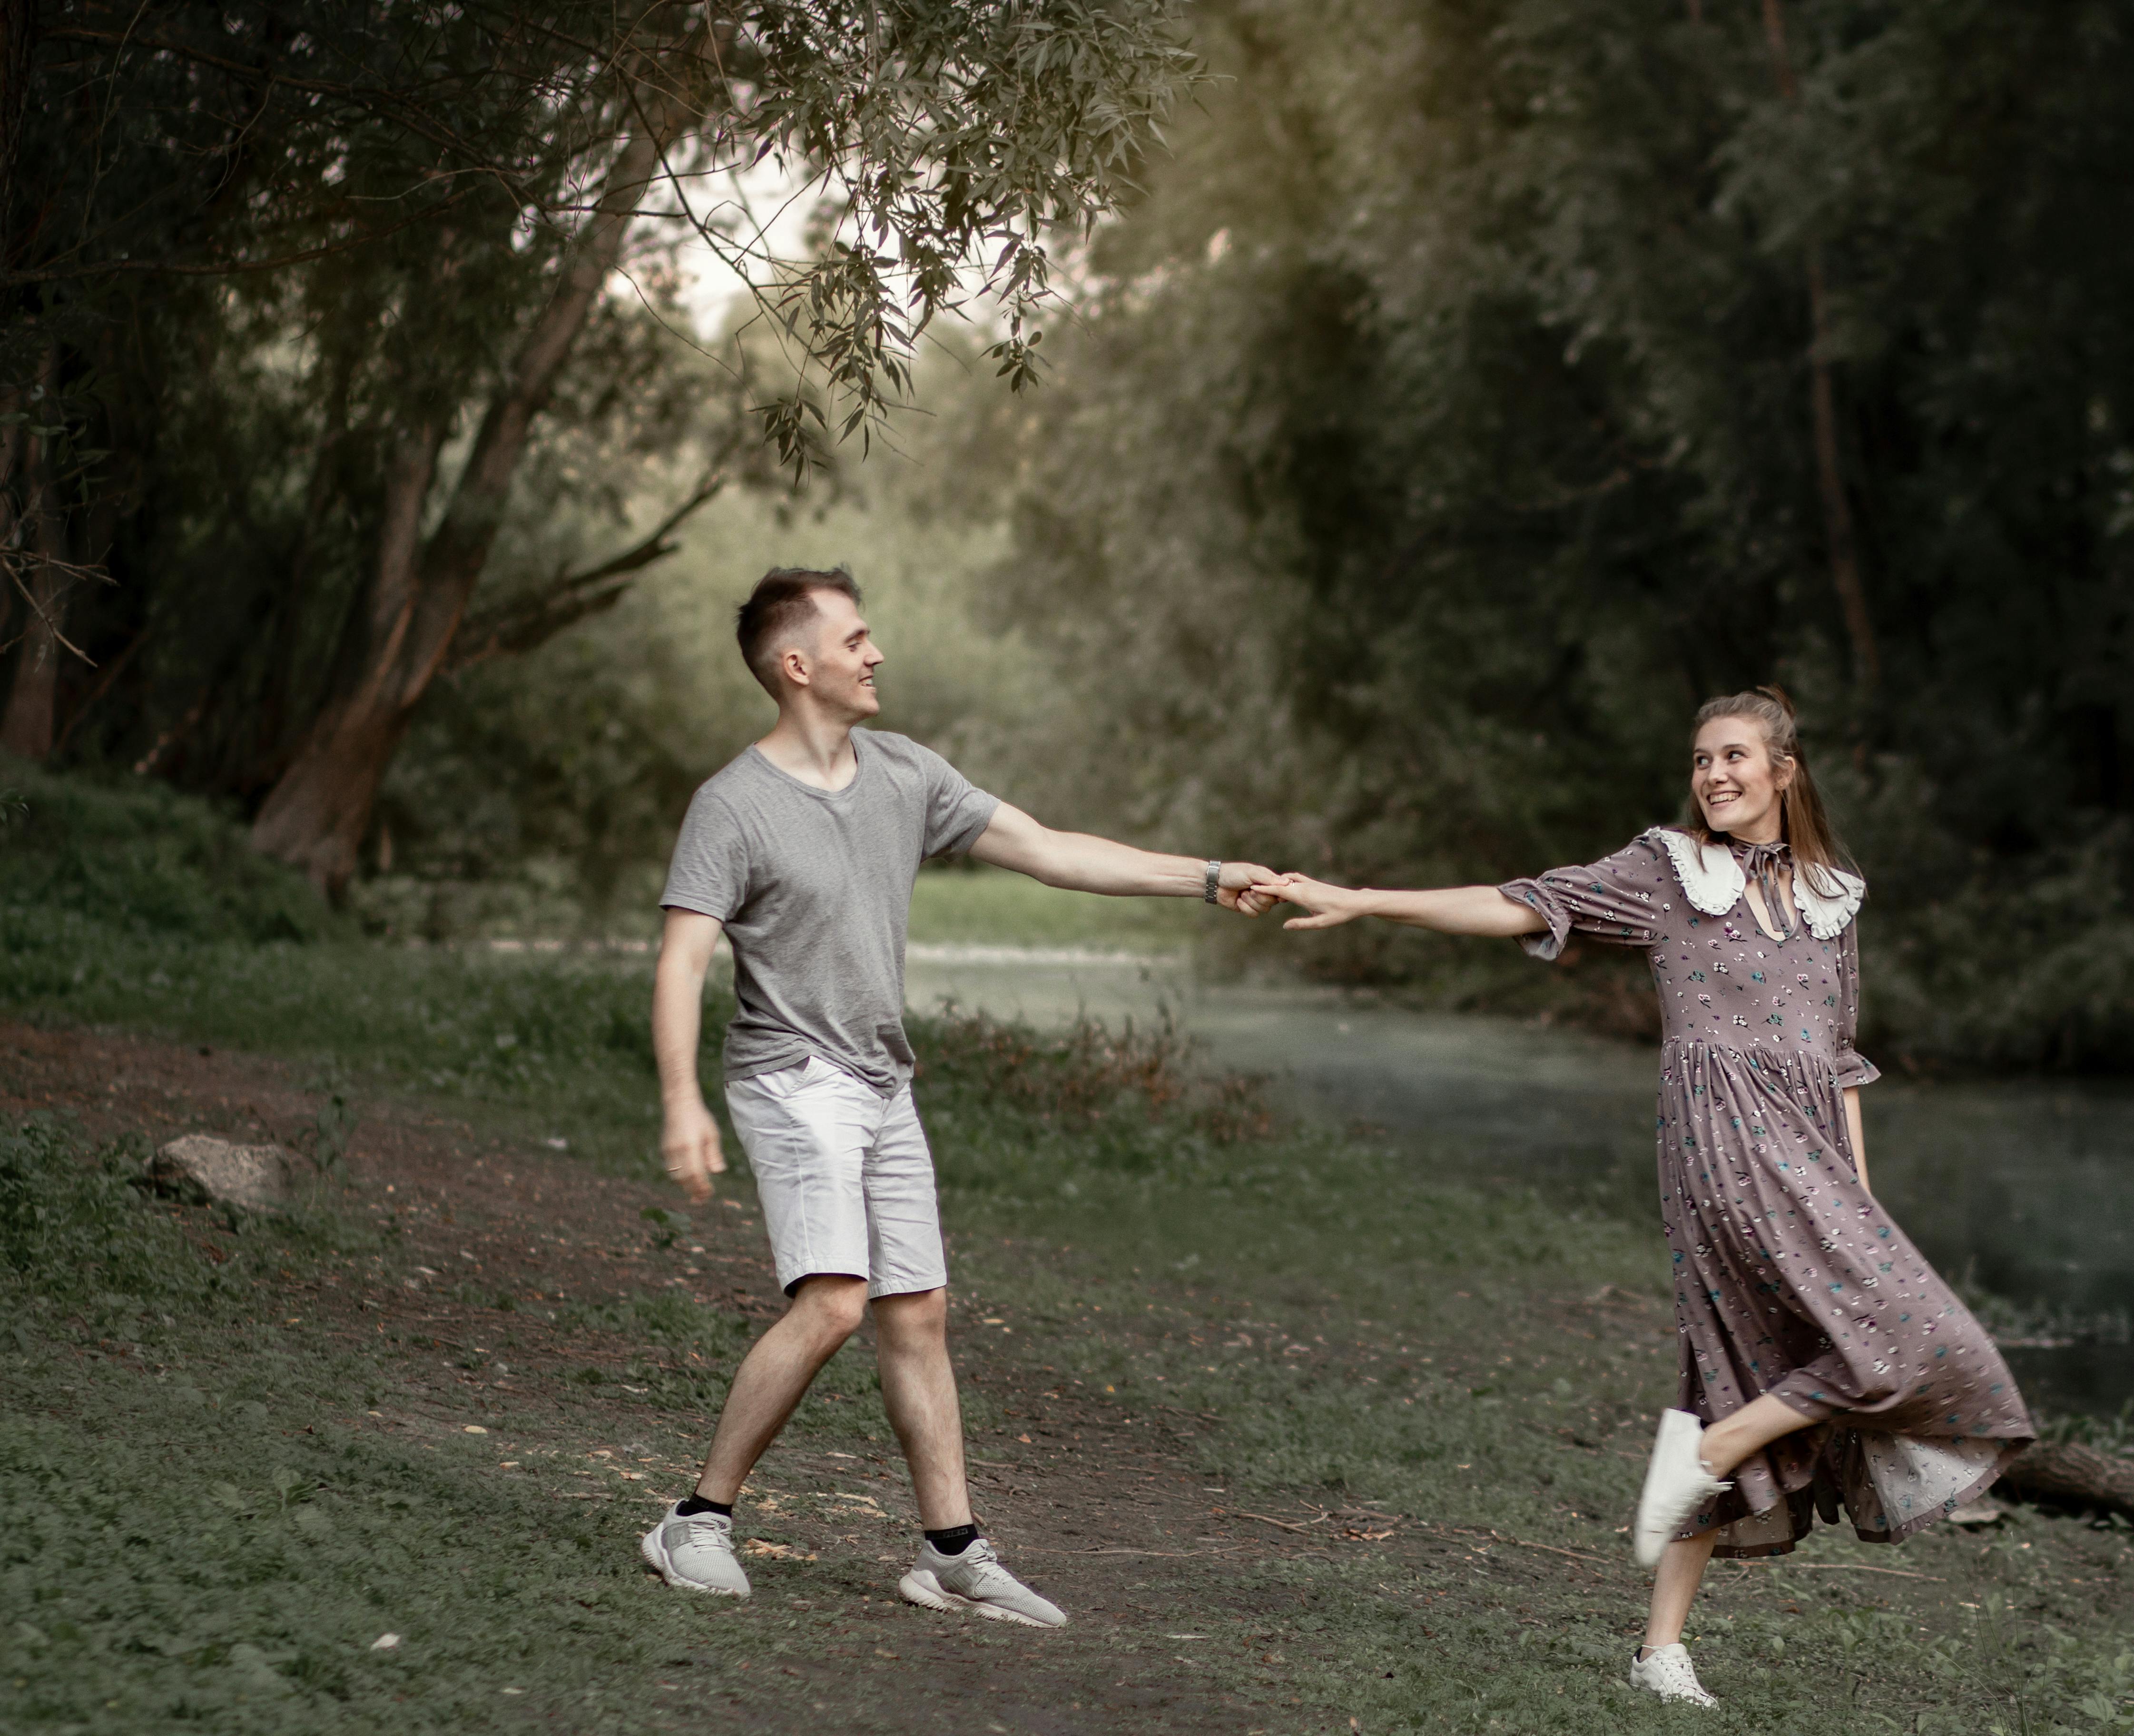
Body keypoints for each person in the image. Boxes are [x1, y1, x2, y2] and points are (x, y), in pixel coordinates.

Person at [1256, 689, 2033, 1706]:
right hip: (1723, 1146)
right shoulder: (1670, 873)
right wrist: (1366, 899)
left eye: (1735, 757)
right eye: (1703, 759)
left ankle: (1660, 1646)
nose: (1714, 775)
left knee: (1757, 1371)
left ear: (1784, 770)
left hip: (1818, 1161)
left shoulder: (1835, 896)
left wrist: (1863, 1206)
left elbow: (1839, 1061)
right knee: (1903, 1348)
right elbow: (1522, 901)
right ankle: (1713, 1452)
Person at [640, 566, 1278, 1623]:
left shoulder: (904, 774)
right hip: (790, 1075)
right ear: (797, 666)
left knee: (918, 1312)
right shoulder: (734, 806)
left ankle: (950, 1552)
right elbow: (680, 962)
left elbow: (1048, 850)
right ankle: (693, 1521)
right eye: (856, 639)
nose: (876, 653)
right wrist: (680, 1099)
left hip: (882, 1079)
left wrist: (1208, 876)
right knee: (837, 1301)